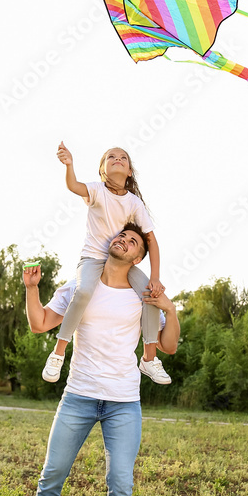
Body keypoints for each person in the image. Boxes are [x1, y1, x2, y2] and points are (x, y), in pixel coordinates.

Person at [21, 222, 180, 496]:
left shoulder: (143, 293)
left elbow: (168, 345)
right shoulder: (81, 284)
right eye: (122, 236)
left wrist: (170, 308)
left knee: (121, 484)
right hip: (78, 395)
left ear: (139, 256)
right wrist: (32, 290)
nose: (124, 241)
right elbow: (40, 322)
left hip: (123, 402)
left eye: (133, 241)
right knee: (52, 476)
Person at [42, 142, 171, 386]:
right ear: (103, 169)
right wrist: (69, 165)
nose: (117, 159)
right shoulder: (97, 191)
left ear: (129, 171)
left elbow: (152, 241)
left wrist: (155, 277)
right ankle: (58, 353)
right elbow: (73, 185)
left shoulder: (134, 203)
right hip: (93, 259)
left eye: (123, 157)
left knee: (150, 295)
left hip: (121, 262)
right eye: (111, 157)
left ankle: (149, 358)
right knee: (83, 292)